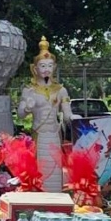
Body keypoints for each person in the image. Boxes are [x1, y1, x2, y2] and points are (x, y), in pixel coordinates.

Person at [17, 37, 74, 191]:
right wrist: (27, 107)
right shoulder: (29, 90)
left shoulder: (61, 90)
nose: (46, 69)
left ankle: (56, 199)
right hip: (39, 134)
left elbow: (67, 114)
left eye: (49, 65)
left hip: (54, 134)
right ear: (34, 69)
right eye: (42, 66)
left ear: (54, 67)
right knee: (39, 169)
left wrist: (75, 120)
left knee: (56, 168)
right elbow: (20, 115)